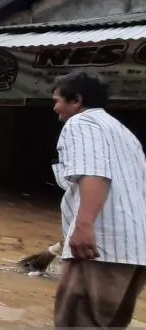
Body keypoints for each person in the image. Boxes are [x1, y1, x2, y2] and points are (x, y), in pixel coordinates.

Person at [51, 71, 146, 328]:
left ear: (77, 100)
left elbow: (95, 173)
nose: (55, 107)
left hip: (100, 248)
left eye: (58, 100)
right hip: (134, 251)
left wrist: (83, 226)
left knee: (78, 323)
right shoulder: (124, 133)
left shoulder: (81, 124)